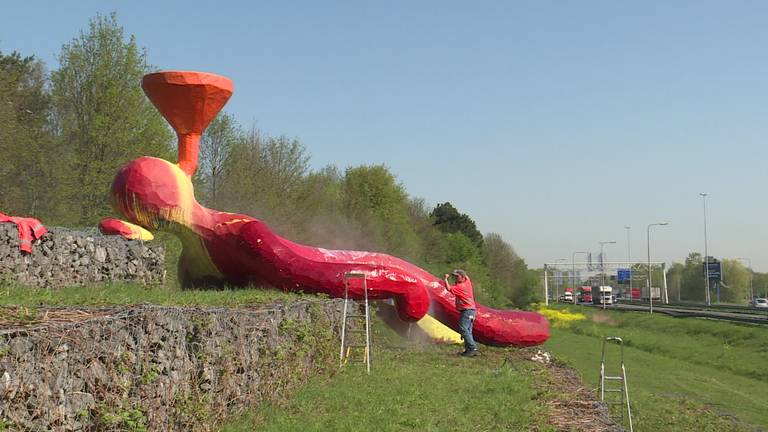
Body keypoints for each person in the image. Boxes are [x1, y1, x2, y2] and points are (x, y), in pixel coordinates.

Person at [443, 269, 479, 357]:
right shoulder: (467, 282)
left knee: (463, 329)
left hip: (467, 310)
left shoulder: (461, 286)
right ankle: (468, 350)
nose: (455, 278)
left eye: (457, 276)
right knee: (468, 330)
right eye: (454, 276)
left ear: (462, 277)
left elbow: (449, 288)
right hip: (471, 311)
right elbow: (466, 276)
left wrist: (446, 279)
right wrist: (457, 274)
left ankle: (472, 347)